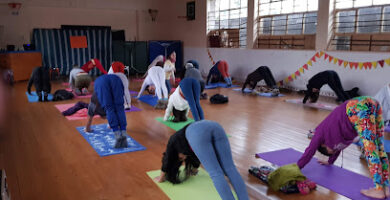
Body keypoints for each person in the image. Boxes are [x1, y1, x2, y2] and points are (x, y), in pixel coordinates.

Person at [297, 96, 389, 199]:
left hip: (357, 107)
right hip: (373, 104)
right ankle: (386, 187)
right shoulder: (339, 142)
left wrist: (297, 167)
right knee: (380, 149)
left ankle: (379, 190)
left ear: (323, 144)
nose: (335, 150)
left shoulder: (320, 133)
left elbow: (310, 150)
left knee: (371, 151)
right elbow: (338, 148)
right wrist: (330, 161)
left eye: (330, 151)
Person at [155, 120, 249, 200]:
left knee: (216, 173)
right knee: (230, 168)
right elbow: (197, 158)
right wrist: (194, 170)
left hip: (197, 132)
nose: (183, 158)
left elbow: (167, 160)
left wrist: (161, 178)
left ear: (174, 155)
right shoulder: (187, 146)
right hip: (215, 126)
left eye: (179, 158)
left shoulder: (172, 142)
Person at [94, 74, 128, 148]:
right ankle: (124, 134)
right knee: (120, 108)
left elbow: (94, 106)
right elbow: (123, 92)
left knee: (109, 108)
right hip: (116, 79)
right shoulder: (99, 81)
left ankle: (117, 135)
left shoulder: (96, 85)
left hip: (101, 83)